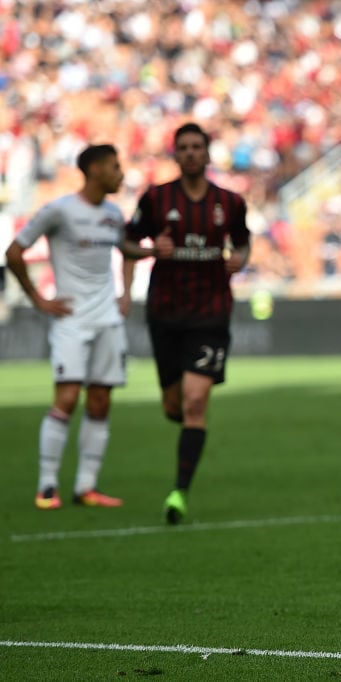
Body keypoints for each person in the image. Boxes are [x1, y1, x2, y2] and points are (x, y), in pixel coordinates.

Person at [121, 123, 250, 524]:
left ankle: (179, 492)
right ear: (175, 155)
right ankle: (188, 440)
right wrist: (147, 250)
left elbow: (243, 242)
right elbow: (125, 241)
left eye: (198, 147)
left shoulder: (230, 202)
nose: (192, 153)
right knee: (174, 407)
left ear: (208, 154)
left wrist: (240, 259)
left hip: (210, 314)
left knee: (196, 402)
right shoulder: (157, 198)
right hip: (165, 314)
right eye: (184, 148)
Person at [5, 144, 129, 510]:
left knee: (101, 400)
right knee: (68, 398)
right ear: (94, 170)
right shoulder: (59, 210)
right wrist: (37, 299)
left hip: (107, 318)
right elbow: (14, 251)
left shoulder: (114, 214)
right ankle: (47, 486)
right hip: (71, 318)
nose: (121, 173)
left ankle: (86, 487)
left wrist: (124, 291)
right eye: (114, 166)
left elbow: (130, 250)